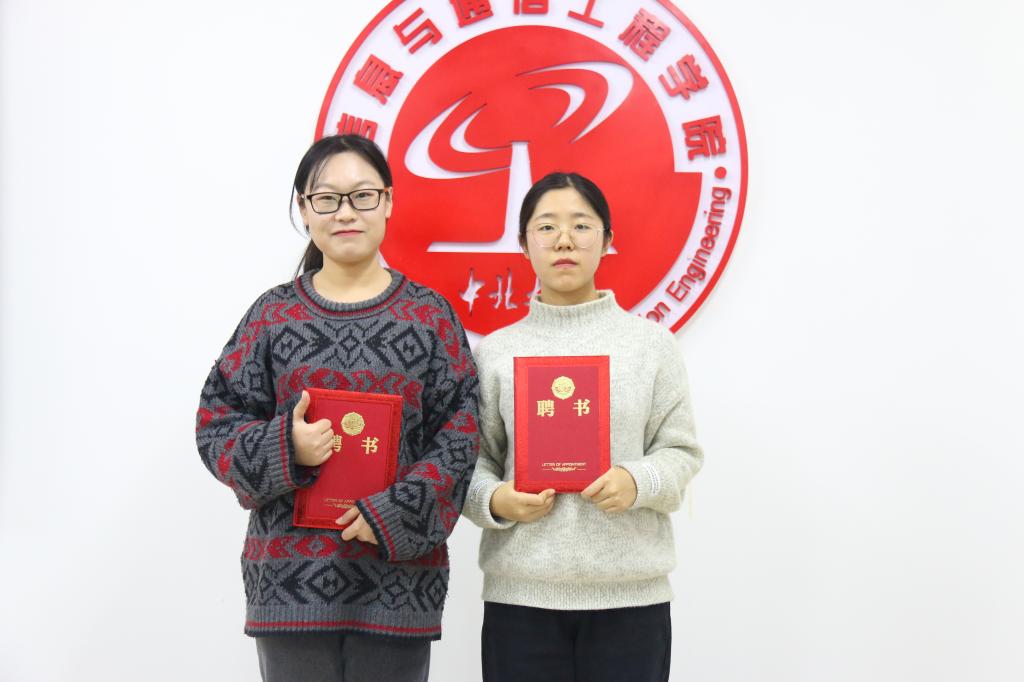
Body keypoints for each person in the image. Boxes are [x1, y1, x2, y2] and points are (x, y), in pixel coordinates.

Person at [195, 134, 479, 682]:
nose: (345, 212)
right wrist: (286, 447)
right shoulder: (273, 316)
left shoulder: (430, 317)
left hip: (397, 588)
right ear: (304, 209)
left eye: (363, 196)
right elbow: (216, 421)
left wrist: (394, 512)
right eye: (326, 198)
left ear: (388, 201)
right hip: (288, 589)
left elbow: (461, 437)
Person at [462, 172, 703, 682]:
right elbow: (472, 462)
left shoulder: (651, 345)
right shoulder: (496, 352)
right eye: (546, 227)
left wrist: (637, 481)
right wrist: (496, 500)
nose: (564, 240)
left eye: (581, 225)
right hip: (521, 598)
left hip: (630, 600)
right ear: (524, 243)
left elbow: (681, 451)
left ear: (607, 240)